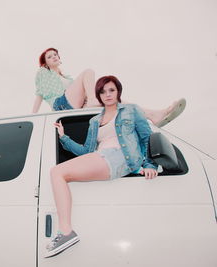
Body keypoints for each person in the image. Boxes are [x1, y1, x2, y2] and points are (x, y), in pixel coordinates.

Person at [45, 75, 158, 258]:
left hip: (121, 157)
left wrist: (149, 163)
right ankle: (66, 232)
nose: (108, 94)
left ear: (118, 91)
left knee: (57, 172)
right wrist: (64, 137)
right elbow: (86, 152)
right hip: (102, 156)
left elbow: (147, 138)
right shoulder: (94, 121)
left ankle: (65, 232)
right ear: (98, 95)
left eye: (111, 90)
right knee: (58, 173)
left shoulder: (131, 110)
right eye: (103, 91)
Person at [32, 48, 186, 128]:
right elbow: (39, 94)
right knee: (88, 72)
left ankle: (153, 115)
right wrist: (33, 117)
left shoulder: (68, 77)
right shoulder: (43, 73)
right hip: (61, 105)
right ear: (45, 63)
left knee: (113, 99)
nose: (54, 57)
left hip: (76, 104)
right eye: (50, 56)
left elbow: (77, 93)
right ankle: (93, 100)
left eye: (56, 54)